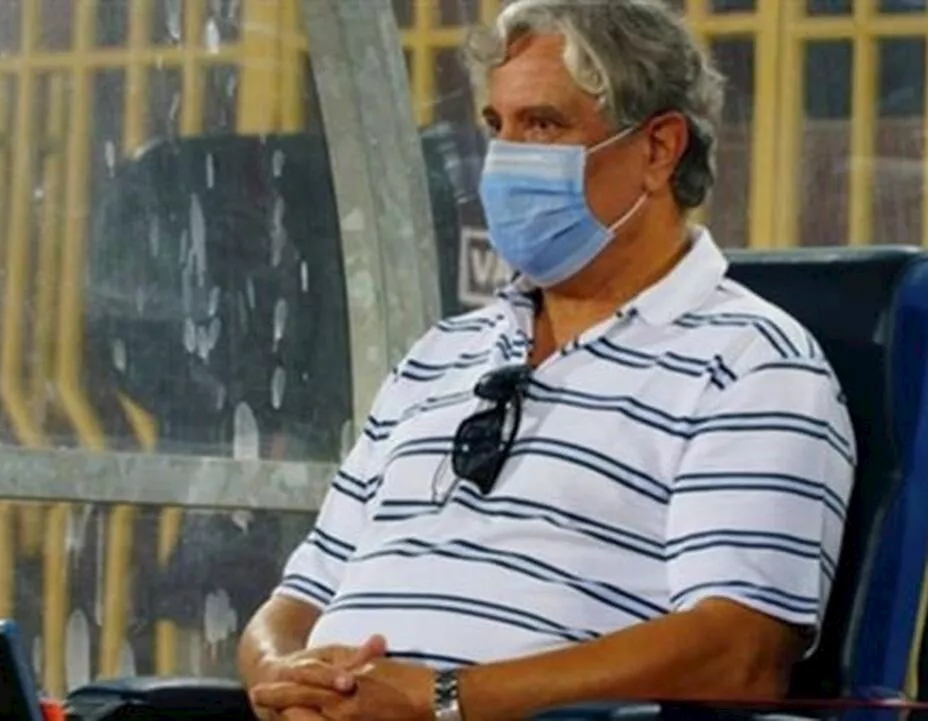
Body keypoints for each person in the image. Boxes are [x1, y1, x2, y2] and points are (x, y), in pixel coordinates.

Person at [237, 1, 856, 719]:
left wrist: (442, 700)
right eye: (497, 127)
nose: (505, 160)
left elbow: (737, 656)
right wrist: (283, 675)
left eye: (542, 125)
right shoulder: (439, 355)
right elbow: (297, 599)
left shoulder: (754, 365)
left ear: (659, 149)